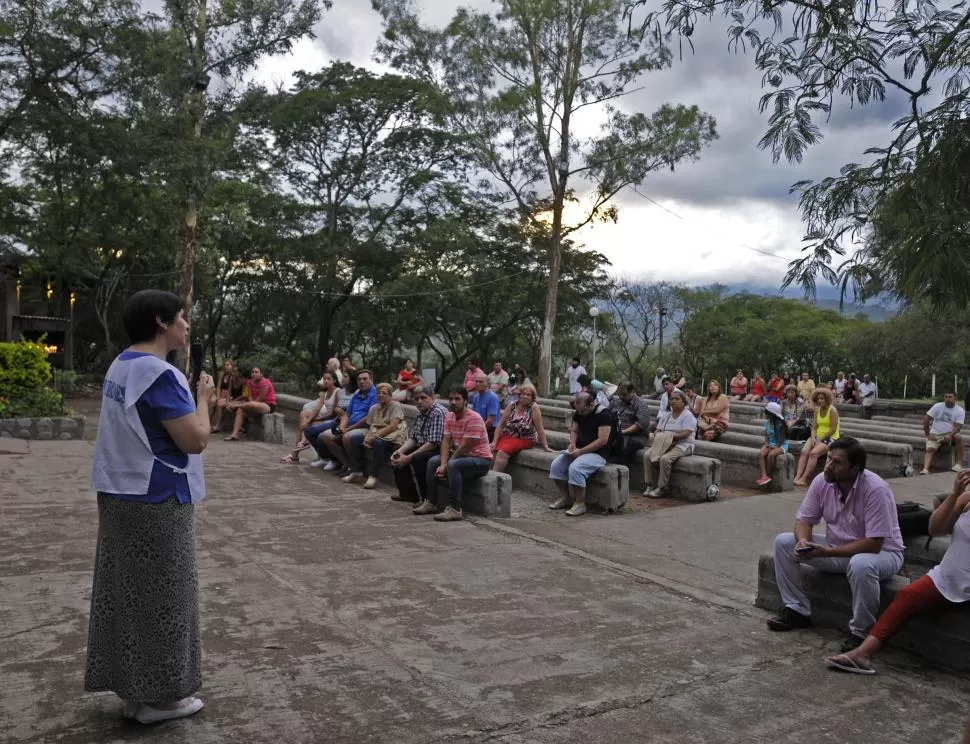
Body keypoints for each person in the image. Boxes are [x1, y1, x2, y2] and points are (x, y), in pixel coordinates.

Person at [86, 289, 211, 724]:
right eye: (182, 317)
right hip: (158, 498)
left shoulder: (122, 365)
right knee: (167, 598)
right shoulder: (159, 374)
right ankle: (162, 699)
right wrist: (205, 398)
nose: (186, 325)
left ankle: (135, 693)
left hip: (120, 494)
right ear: (161, 321)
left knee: (129, 595)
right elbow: (194, 439)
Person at [825, 469, 970, 674]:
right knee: (907, 596)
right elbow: (936, 529)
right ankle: (862, 654)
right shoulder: (966, 500)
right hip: (948, 576)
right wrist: (955, 494)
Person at [767, 438, 905, 653]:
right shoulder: (822, 481)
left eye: (837, 462)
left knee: (861, 564)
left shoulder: (875, 488)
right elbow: (804, 519)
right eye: (829, 458)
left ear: (855, 468)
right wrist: (803, 541)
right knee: (784, 542)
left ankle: (861, 632)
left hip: (884, 554)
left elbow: (874, 544)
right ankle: (796, 610)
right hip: (837, 548)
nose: (829, 464)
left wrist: (827, 552)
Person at [415, 386, 493, 521]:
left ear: (465, 401)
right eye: (451, 399)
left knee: (453, 465)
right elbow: (445, 441)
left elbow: (465, 446)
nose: (453, 402)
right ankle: (431, 502)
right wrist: (443, 463)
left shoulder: (474, 418)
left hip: (480, 460)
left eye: (457, 399)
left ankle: (455, 509)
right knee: (433, 461)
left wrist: (446, 465)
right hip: (461, 457)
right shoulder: (450, 416)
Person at [548, 392, 612, 516]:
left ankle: (580, 503)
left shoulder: (604, 415)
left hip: (598, 454)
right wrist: (572, 443)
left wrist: (581, 452)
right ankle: (566, 498)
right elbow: (574, 430)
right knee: (556, 466)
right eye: (578, 411)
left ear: (591, 404)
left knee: (576, 468)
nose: (580, 414)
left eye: (583, 411)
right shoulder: (579, 412)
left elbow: (602, 440)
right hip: (579, 449)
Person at [344, 382, 408, 488]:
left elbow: (393, 426)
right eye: (378, 393)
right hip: (377, 433)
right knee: (354, 438)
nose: (381, 395)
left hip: (392, 436)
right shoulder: (374, 408)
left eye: (384, 393)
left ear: (390, 395)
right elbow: (372, 426)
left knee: (378, 443)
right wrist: (367, 438)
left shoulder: (396, 406)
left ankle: (373, 476)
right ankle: (356, 471)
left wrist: (374, 437)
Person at [390, 386, 446, 503]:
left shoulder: (437, 413)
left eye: (423, 398)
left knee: (417, 458)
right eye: (417, 399)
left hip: (439, 450)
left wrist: (409, 457)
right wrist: (399, 452)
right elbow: (413, 438)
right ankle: (408, 494)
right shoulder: (420, 413)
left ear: (432, 398)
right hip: (425, 446)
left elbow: (433, 443)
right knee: (397, 452)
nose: (419, 401)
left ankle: (426, 499)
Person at [642, 388, 697, 499]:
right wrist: (658, 433)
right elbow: (658, 430)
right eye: (671, 399)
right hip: (665, 443)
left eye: (677, 399)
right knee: (647, 455)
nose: (674, 401)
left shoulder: (688, 416)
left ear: (683, 401)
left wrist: (668, 436)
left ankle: (662, 487)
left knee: (665, 459)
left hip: (683, 445)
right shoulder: (666, 415)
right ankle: (649, 484)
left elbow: (686, 433)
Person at [321, 370, 378, 475]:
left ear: (371, 380)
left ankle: (356, 470)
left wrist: (349, 429)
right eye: (359, 379)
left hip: (368, 428)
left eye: (365, 379)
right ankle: (347, 465)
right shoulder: (357, 394)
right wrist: (342, 427)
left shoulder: (376, 395)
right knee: (326, 436)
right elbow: (347, 414)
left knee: (347, 437)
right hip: (350, 426)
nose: (361, 381)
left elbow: (368, 418)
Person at [490, 383, 552, 472]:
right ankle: (488, 475)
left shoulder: (534, 408)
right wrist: (494, 441)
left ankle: (494, 477)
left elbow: (540, 429)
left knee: (502, 453)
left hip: (525, 438)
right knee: (492, 450)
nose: (525, 396)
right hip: (507, 436)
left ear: (532, 397)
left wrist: (545, 446)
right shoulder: (512, 405)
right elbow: (501, 424)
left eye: (528, 395)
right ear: (519, 395)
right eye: (523, 394)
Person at [280, 370, 339, 464]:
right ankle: (302, 444)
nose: (326, 381)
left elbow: (334, 414)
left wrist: (312, 421)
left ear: (334, 380)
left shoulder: (337, 392)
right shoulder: (324, 393)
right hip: (324, 419)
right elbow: (317, 408)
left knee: (305, 426)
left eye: (329, 379)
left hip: (332, 420)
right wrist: (309, 420)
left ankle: (297, 452)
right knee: (304, 415)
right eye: (324, 379)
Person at [793, 387, 841, 487]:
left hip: (830, 438)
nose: (819, 400)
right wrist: (814, 437)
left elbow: (833, 429)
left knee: (814, 453)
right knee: (804, 452)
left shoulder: (833, 410)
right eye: (818, 398)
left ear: (827, 399)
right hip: (817, 436)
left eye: (822, 398)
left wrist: (821, 438)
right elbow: (814, 427)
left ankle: (804, 479)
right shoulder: (817, 411)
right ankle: (797, 477)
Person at [309, 371, 356, 469]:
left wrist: (342, 414)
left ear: (351, 379)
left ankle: (335, 460)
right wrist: (337, 410)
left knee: (322, 436)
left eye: (345, 376)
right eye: (342, 376)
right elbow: (334, 410)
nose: (342, 378)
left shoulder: (356, 393)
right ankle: (326, 458)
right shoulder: (341, 392)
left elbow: (352, 412)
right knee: (309, 430)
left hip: (346, 422)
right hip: (336, 420)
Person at [224, 366, 276, 441]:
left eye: (256, 372)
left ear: (261, 374)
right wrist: (250, 402)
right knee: (240, 410)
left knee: (248, 404)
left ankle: (235, 405)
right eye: (252, 372)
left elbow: (261, 398)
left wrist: (238, 403)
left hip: (267, 405)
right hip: (253, 404)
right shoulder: (249, 382)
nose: (254, 374)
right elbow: (249, 396)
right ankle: (234, 434)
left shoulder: (265, 382)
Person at [921, 392, 966, 475]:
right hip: (936, 433)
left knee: (959, 437)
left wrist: (950, 434)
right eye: (946, 397)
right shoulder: (938, 406)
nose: (948, 399)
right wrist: (927, 434)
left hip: (949, 433)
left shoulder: (960, 410)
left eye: (950, 397)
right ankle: (925, 469)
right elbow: (926, 419)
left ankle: (959, 464)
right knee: (930, 449)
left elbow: (959, 426)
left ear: (955, 398)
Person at [610, 382, 651, 463]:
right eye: (619, 394)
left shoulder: (640, 404)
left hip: (637, 436)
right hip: (620, 432)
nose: (621, 397)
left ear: (632, 391)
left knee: (629, 447)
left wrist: (623, 432)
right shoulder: (619, 402)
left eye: (624, 395)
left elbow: (640, 424)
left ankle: (622, 467)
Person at [757, 401, 788, 486]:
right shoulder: (767, 422)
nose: (765, 414)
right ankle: (764, 475)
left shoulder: (781, 424)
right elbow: (766, 435)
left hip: (781, 444)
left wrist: (776, 446)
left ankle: (768, 474)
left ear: (772, 414)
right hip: (770, 442)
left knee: (771, 455)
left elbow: (782, 438)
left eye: (767, 413)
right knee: (761, 454)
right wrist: (766, 443)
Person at [470, 373, 502, 439]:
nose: (478, 384)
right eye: (476, 381)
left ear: (487, 384)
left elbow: (490, 421)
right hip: (478, 426)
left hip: (490, 429)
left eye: (480, 382)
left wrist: (477, 431)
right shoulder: (476, 396)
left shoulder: (493, 398)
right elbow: (473, 415)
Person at [208, 358, 235, 432]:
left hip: (229, 397)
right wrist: (218, 396)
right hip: (220, 395)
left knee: (219, 404)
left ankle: (217, 425)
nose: (226, 366)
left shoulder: (232, 376)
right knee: (212, 401)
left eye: (228, 365)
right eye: (225, 365)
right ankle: (207, 423)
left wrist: (224, 398)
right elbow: (219, 387)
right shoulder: (222, 374)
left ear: (232, 366)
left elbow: (230, 390)